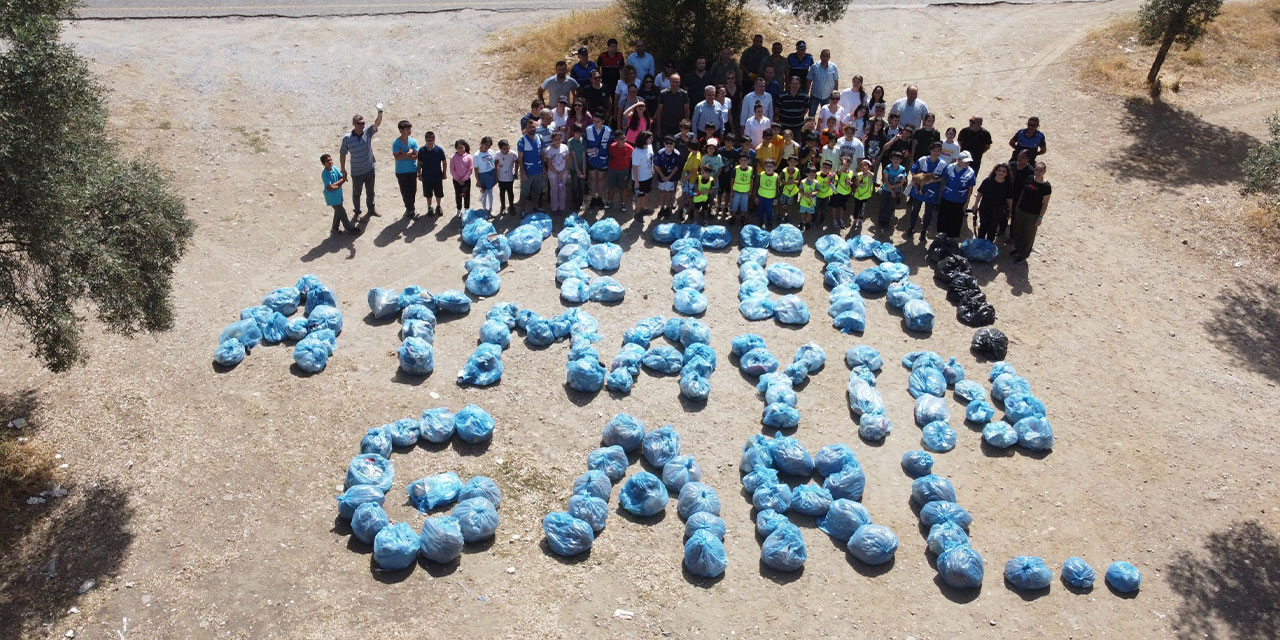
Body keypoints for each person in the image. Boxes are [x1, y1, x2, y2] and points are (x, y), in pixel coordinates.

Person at [339, 106, 383, 219]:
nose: (362, 125)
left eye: (363, 123)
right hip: (357, 171)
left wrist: (380, 111)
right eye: (359, 123)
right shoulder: (347, 138)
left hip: (369, 168)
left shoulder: (367, 133)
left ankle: (371, 208)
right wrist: (343, 168)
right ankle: (357, 212)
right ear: (354, 123)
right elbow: (343, 153)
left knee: (370, 191)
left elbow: (377, 124)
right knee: (356, 193)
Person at [1010, 162, 1051, 262]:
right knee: (1018, 230)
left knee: (1028, 234)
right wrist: (1017, 206)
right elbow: (1023, 192)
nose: (1038, 172)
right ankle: (1018, 249)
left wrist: (1040, 217)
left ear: (1044, 172)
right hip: (1022, 209)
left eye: (1040, 171)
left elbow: (1045, 203)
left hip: (1033, 214)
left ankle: (1024, 254)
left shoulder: (1046, 186)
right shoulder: (1029, 179)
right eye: (1036, 170)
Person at [905, 141, 946, 241]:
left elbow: (943, 177)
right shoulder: (923, 159)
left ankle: (924, 230)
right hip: (919, 189)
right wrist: (918, 181)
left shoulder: (942, 164)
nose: (936, 153)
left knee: (928, 212)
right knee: (915, 210)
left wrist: (931, 181)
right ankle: (912, 227)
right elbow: (913, 170)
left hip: (932, 191)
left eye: (938, 151)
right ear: (930, 150)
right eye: (934, 150)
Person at [969, 161, 1014, 241]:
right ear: (995, 171)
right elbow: (980, 193)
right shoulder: (988, 181)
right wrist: (976, 204)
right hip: (985, 208)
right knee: (983, 227)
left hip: (998, 210)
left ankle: (988, 248)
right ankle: (979, 245)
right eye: (999, 170)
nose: (1001, 173)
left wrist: (1010, 211)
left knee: (992, 229)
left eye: (1004, 171)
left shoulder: (1008, 184)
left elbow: (1009, 198)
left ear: (1007, 174)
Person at [936, 150, 976, 237]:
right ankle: (942, 234)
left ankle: (952, 237)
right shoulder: (950, 167)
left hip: (960, 199)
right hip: (947, 197)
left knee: (956, 218)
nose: (967, 163)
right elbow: (942, 178)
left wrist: (967, 202)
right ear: (958, 160)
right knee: (943, 216)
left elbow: (970, 188)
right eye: (965, 162)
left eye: (969, 162)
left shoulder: (970, 172)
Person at [320, 153, 355, 234]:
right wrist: (340, 183)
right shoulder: (325, 174)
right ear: (323, 164)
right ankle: (349, 228)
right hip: (332, 198)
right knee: (342, 213)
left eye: (330, 160)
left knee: (338, 212)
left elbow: (342, 178)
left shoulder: (334, 168)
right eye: (327, 161)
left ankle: (334, 228)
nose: (330, 162)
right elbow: (330, 187)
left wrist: (337, 184)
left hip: (338, 196)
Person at [516, 119, 545, 214]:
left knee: (537, 191)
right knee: (524, 193)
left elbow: (542, 154)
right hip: (528, 172)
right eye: (530, 127)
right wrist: (523, 172)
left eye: (533, 127)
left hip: (538, 170)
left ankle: (536, 207)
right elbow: (520, 158)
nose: (532, 129)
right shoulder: (522, 141)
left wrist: (543, 168)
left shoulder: (539, 138)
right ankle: (522, 211)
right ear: (526, 128)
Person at [391, 120, 419, 218]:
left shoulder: (413, 141)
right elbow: (397, 157)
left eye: (409, 128)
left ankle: (410, 208)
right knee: (405, 191)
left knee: (413, 190)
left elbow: (415, 156)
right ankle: (410, 209)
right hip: (401, 171)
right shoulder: (396, 142)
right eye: (407, 129)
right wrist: (408, 154)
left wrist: (404, 154)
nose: (409, 130)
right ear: (401, 130)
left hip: (412, 170)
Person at [584, 113, 612, 208]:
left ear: (603, 121)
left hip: (603, 159)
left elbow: (611, 145)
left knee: (601, 178)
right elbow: (584, 142)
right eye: (594, 121)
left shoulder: (608, 131)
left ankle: (599, 197)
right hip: (591, 159)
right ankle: (593, 197)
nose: (595, 123)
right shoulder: (588, 129)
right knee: (592, 178)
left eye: (598, 121)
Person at [416, 130, 446, 217]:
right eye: (428, 140)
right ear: (425, 140)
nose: (429, 142)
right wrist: (419, 174)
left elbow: (444, 162)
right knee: (428, 193)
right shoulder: (422, 150)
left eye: (431, 140)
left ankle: (438, 206)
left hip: (437, 176)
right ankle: (429, 207)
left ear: (434, 140)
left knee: (438, 192)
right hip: (426, 177)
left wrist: (444, 173)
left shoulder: (439, 150)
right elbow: (419, 163)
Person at [877, 151, 908, 232]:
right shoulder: (888, 167)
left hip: (894, 191)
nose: (895, 160)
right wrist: (892, 190)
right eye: (894, 159)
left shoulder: (902, 169)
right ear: (891, 159)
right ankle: (880, 221)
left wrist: (892, 188)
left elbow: (902, 182)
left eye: (897, 159)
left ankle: (886, 222)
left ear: (901, 160)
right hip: (886, 190)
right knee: (883, 206)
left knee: (890, 207)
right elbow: (885, 180)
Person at [1007, 149, 1034, 236]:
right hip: (1008, 193)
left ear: (1028, 159)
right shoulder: (1012, 165)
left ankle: (1012, 236)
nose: (1020, 159)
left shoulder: (1030, 171)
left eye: (1023, 157)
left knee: (1015, 217)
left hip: (1018, 196)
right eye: (1019, 156)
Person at [605, 132, 634, 212]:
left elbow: (631, 159)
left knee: (623, 187)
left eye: (624, 138)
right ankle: (609, 201)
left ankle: (623, 203)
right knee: (611, 186)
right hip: (613, 169)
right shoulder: (612, 147)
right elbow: (610, 157)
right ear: (616, 140)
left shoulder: (630, 148)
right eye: (621, 139)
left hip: (624, 170)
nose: (624, 140)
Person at [544, 130, 571, 214]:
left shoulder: (565, 147)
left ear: (561, 139)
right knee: (554, 190)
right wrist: (556, 173)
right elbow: (548, 163)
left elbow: (567, 160)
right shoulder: (549, 149)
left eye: (559, 139)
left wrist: (562, 172)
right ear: (552, 140)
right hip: (553, 174)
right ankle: (554, 208)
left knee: (562, 189)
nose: (557, 141)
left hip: (563, 173)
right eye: (555, 139)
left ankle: (562, 207)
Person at [653, 135, 681, 217]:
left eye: (671, 143)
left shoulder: (677, 154)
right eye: (666, 143)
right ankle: (662, 208)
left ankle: (668, 208)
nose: (668, 145)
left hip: (671, 177)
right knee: (662, 192)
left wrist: (668, 177)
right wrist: (662, 176)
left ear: (674, 144)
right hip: (661, 176)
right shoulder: (660, 153)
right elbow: (656, 166)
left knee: (669, 192)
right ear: (664, 144)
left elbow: (676, 167)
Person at [630, 130, 655, 215]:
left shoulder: (650, 146)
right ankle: (637, 213)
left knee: (646, 194)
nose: (652, 139)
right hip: (640, 179)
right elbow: (634, 168)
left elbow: (651, 158)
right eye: (650, 138)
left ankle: (643, 208)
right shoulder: (637, 152)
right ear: (644, 139)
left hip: (648, 176)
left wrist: (652, 168)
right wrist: (636, 182)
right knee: (639, 196)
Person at [807, 49, 839, 116]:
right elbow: (809, 81)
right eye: (823, 56)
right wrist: (807, 94)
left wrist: (835, 95)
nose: (825, 58)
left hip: (827, 96)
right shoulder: (814, 67)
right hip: (815, 95)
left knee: (827, 115)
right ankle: (811, 126)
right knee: (811, 114)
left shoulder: (833, 67)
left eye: (826, 56)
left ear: (829, 57)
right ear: (820, 56)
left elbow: (836, 81)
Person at [678, 137, 703, 218]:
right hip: (686, 177)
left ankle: (690, 210)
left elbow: (694, 172)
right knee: (684, 194)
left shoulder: (697, 158)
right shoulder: (693, 153)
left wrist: (685, 178)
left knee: (689, 195)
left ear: (690, 148)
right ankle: (682, 210)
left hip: (690, 180)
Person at [473, 136, 497, 213]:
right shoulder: (477, 155)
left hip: (491, 174)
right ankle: (484, 209)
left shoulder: (490, 152)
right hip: (483, 176)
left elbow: (494, 163)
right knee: (484, 193)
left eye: (489, 146)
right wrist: (478, 181)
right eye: (486, 145)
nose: (487, 147)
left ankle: (490, 208)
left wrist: (495, 176)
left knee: (490, 192)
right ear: (482, 143)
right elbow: (476, 170)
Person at [729, 150, 753, 225]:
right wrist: (731, 191)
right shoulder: (735, 169)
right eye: (741, 160)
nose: (743, 162)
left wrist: (750, 191)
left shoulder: (750, 169)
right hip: (736, 191)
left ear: (748, 161)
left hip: (745, 192)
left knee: (744, 207)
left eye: (745, 160)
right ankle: (733, 217)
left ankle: (743, 218)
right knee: (734, 206)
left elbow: (751, 181)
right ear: (739, 161)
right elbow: (732, 180)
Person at [851, 158, 874, 233]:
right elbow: (856, 183)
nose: (863, 167)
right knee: (856, 208)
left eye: (865, 165)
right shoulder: (859, 174)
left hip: (865, 195)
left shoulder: (870, 174)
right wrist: (859, 180)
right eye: (862, 166)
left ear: (869, 167)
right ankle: (855, 219)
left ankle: (861, 219)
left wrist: (867, 171)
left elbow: (871, 175)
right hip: (858, 195)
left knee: (862, 208)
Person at [449, 139, 473, 215]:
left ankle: (466, 209)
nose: (460, 149)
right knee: (458, 195)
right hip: (456, 181)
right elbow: (452, 169)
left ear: (464, 147)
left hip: (466, 180)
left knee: (466, 195)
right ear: (456, 148)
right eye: (458, 148)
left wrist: (464, 179)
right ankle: (459, 209)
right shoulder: (453, 157)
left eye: (462, 147)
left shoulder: (469, 157)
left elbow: (470, 169)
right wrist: (458, 179)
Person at [830, 156, 854, 229]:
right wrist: (843, 164)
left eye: (848, 165)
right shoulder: (839, 171)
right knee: (834, 206)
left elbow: (850, 180)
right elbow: (839, 172)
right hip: (837, 192)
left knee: (842, 207)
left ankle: (840, 219)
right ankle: (834, 220)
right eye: (845, 165)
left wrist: (850, 183)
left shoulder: (851, 172)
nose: (846, 166)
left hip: (845, 193)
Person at [567, 124, 587, 209]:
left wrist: (583, 170)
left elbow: (583, 156)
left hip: (581, 166)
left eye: (580, 133)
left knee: (581, 185)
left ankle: (581, 201)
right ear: (573, 132)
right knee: (574, 185)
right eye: (577, 133)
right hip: (573, 167)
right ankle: (574, 201)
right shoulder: (570, 142)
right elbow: (573, 156)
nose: (579, 135)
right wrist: (577, 170)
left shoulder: (583, 141)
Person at [495, 139, 517, 215]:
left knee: (510, 192)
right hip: (501, 177)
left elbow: (516, 162)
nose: (506, 150)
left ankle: (511, 206)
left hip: (510, 176)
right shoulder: (497, 154)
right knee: (502, 192)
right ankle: (503, 206)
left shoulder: (512, 154)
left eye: (507, 148)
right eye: (504, 149)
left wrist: (516, 172)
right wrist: (496, 175)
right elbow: (496, 165)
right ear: (500, 149)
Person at [756, 158, 779, 228]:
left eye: (771, 166)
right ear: (764, 166)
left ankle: (769, 222)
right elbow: (757, 185)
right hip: (761, 196)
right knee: (760, 210)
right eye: (767, 166)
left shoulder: (776, 176)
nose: (769, 168)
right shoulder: (761, 175)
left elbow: (777, 188)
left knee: (769, 211)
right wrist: (756, 196)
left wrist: (776, 198)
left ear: (774, 167)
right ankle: (761, 221)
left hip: (770, 197)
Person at [779, 154, 801, 224]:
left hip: (792, 191)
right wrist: (786, 183)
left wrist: (793, 181)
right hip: (784, 190)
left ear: (797, 163)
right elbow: (780, 180)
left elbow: (798, 180)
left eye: (794, 162)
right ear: (788, 162)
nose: (792, 163)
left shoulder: (797, 171)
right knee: (781, 203)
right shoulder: (784, 171)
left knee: (790, 204)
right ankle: (780, 215)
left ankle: (787, 215)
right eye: (791, 161)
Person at [815, 159, 835, 228]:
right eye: (824, 167)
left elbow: (833, 187)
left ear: (830, 169)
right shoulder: (816, 174)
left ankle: (821, 221)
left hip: (826, 196)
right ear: (821, 167)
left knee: (824, 210)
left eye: (827, 168)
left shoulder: (832, 176)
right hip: (817, 195)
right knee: (816, 208)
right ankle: (814, 220)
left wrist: (830, 180)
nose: (825, 169)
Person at [798, 166, 819, 230]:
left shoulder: (816, 182)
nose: (813, 176)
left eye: (814, 174)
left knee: (810, 214)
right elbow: (800, 190)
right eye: (811, 174)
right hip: (804, 201)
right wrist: (805, 194)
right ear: (806, 174)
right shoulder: (803, 182)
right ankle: (802, 222)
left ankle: (808, 223)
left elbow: (818, 190)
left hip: (811, 202)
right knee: (803, 213)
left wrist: (814, 193)